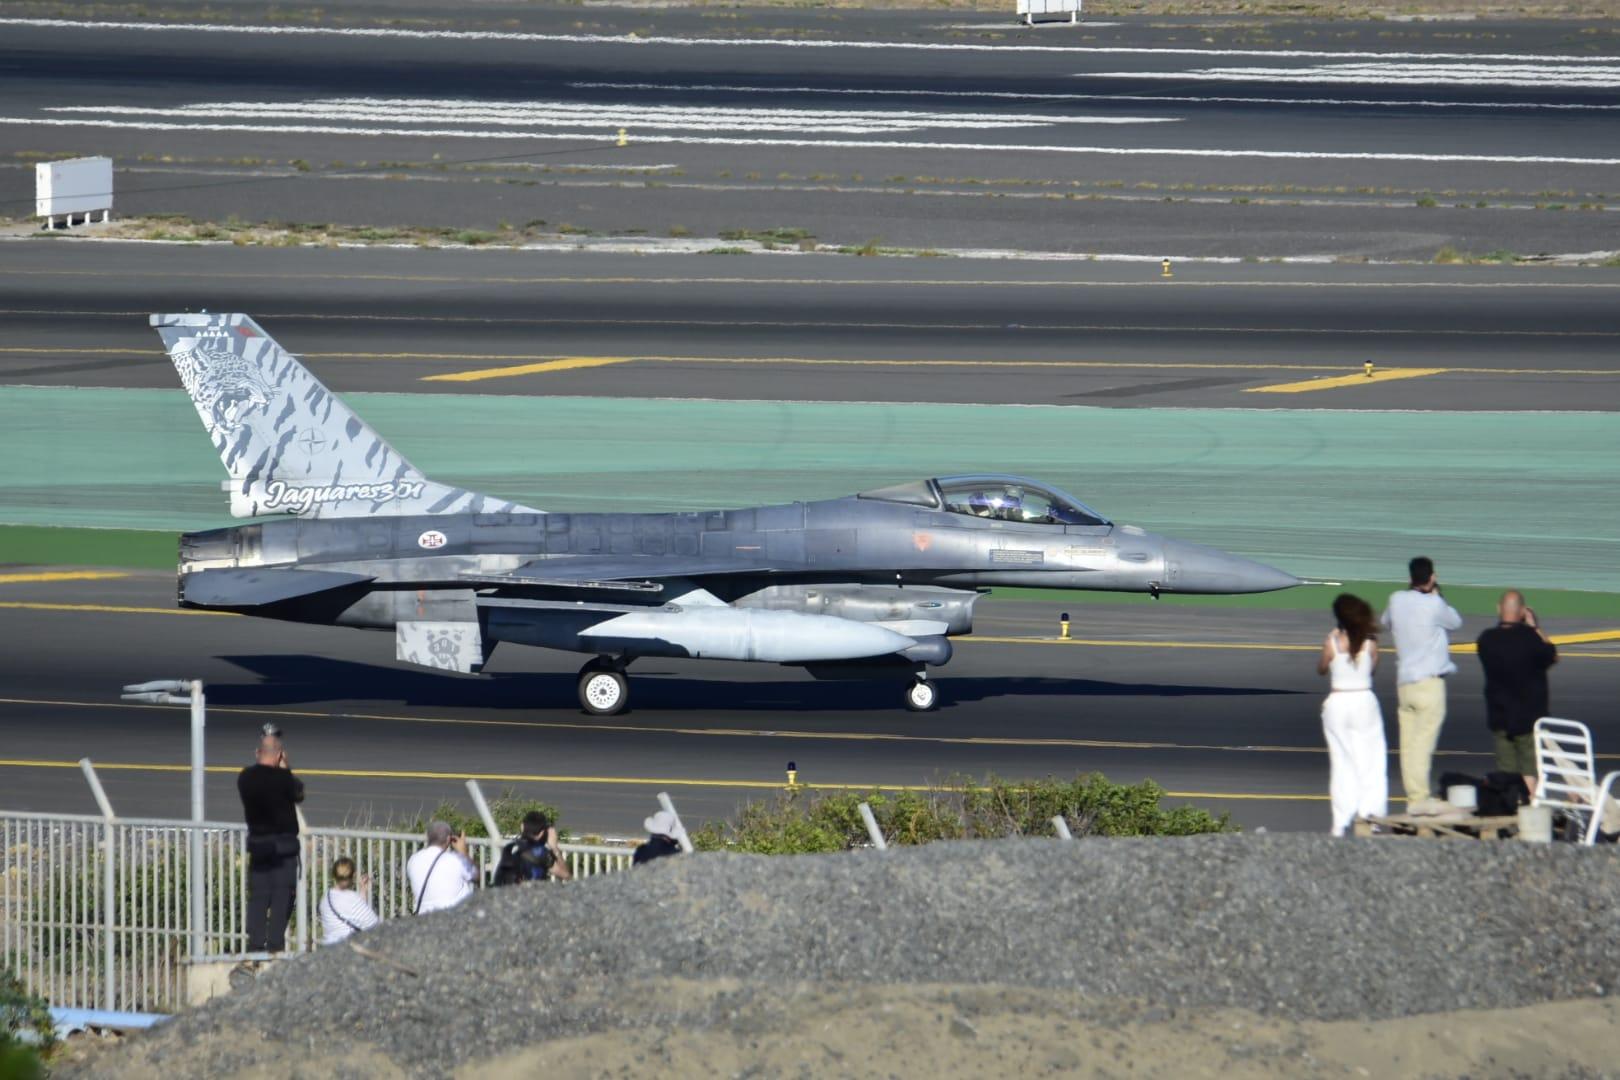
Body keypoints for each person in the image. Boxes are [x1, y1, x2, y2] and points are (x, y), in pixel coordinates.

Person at [1380, 556, 1464, 814]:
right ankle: (1419, 799)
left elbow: (1385, 622)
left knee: (1408, 746)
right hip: (1429, 683)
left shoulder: (1396, 599)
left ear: (1410, 578)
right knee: (1422, 745)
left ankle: (1414, 796)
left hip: (1405, 683)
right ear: (1432, 578)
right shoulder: (1435, 604)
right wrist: (1436, 595)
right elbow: (1455, 622)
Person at [1318, 594, 1389, 835]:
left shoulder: (1332, 641)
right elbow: (1372, 668)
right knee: (1372, 760)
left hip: (1338, 702)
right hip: (1363, 700)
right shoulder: (1370, 642)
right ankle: (1372, 815)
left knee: (1341, 762)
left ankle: (1340, 821)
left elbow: (1322, 668)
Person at [1476, 590, 1558, 799]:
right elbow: (1552, 655)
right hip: (1528, 719)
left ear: (1498, 609)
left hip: (1499, 716)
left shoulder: (1486, 639)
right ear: (1522, 612)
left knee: (1506, 773)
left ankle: (1510, 807)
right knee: (1529, 770)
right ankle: (1529, 807)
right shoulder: (1530, 639)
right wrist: (1535, 627)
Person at [238, 731, 304, 953]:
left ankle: (255, 945)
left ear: (257, 753)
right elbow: (298, 793)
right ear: (279, 755)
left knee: (258, 896)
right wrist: (285, 768)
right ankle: (275, 945)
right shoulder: (283, 779)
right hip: (283, 847)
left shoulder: (246, 778)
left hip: (258, 845)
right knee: (281, 896)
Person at [407, 821, 477, 914]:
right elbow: (476, 875)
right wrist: (463, 852)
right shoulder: (456, 860)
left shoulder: (413, 859)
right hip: (452, 916)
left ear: (428, 837)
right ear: (448, 839)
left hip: (423, 915)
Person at [492, 810, 572, 885]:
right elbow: (566, 875)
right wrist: (554, 847)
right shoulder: (540, 852)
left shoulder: (511, 846)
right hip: (527, 893)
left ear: (522, 827)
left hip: (502, 892)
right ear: (542, 833)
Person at [319, 856, 380, 945]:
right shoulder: (351, 898)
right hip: (348, 948)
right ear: (353, 875)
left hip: (330, 946)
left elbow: (352, 913)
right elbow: (375, 925)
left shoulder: (326, 897)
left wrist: (363, 890)